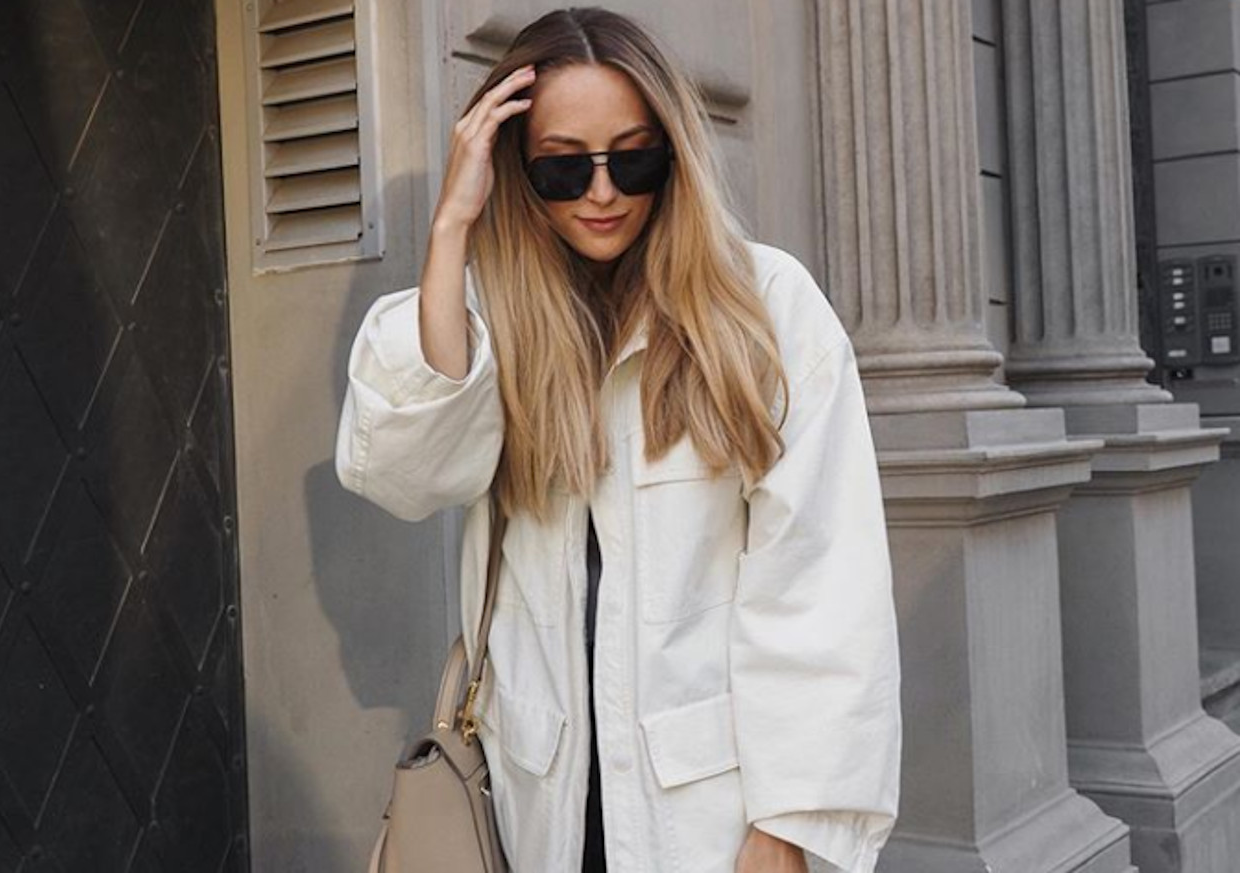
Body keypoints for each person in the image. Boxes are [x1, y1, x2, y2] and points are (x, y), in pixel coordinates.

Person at [334, 7, 901, 873]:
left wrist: (788, 822)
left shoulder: (766, 309)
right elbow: (407, 474)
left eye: (632, 158)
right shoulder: (493, 318)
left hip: (708, 811)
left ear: (674, 154)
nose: (602, 192)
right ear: (519, 170)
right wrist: (450, 227)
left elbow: (821, 579)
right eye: (563, 168)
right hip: (538, 801)